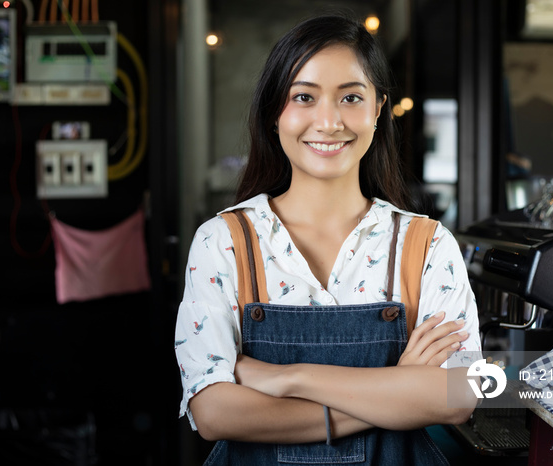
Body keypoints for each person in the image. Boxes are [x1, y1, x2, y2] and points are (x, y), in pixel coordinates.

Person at [175, 13, 482, 465]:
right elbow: (214, 413)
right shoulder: (223, 242)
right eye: (304, 97)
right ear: (273, 112)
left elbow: (460, 395)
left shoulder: (427, 245)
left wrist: (290, 378)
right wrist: (396, 392)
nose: (328, 121)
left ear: (378, 108)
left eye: (351, 98)